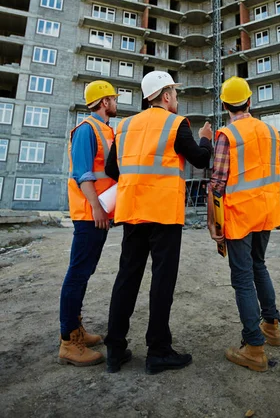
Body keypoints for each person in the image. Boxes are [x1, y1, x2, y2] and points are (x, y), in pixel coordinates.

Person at [104, 71, 213, 374]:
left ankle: (114, 350)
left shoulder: (124, 126)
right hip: (164, 213)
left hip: (132, 211)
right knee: (161, 282)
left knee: (127, 278)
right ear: (165, 96)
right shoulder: (176, 124)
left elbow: (114, 169)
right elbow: (201, 160)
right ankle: (158, 351)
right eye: (175, 93)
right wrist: (206, 136)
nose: (176, 98)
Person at [207, 76, 280, 372]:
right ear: (250, 101)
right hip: (266, 211)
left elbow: (217, 184)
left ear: (225, 105)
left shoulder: (227, 135)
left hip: (240, 215)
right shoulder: (271, 131)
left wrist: (213, 223)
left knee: (242, 278)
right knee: (259, 266)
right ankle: (272, 326)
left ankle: (253, 346)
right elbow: (279, 171)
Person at [58, 80, 119, 367]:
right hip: (89, 213)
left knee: (85, 271)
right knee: (78, 273)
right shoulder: (87, 129)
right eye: (114, 98)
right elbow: (81, 173)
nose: (116, 102)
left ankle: (76, 328)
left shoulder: (106, 130)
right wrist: (96, 206)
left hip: (99, 211)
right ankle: (69, 342)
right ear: (104, 102)